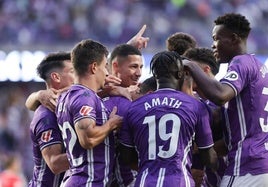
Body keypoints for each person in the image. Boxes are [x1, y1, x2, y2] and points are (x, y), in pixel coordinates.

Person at [183, 13, 268, 187]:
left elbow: (221, 95)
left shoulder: (241, 62)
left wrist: (189, 64)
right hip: (260, 164)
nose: (213, 45)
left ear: (233, 38)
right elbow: (236, 137)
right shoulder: (260, 67)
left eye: (216, 39)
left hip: (246, 167)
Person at [119, 51, 218, 186]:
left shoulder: (133, 108)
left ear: (155, 75)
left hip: (145, 182)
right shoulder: (196, 106)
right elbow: (209, 158)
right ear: (180, 74)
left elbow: (126, 157)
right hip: (179, 181)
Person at [56, 39, 123, 186]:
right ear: (94, 67)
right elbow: (88, 139)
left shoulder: (66, 97)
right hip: (86, 181)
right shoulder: (84, 97)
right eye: (105, 66)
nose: (107, 72)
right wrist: (111, 124)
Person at [28, 52, 73, 186]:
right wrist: (94, 150)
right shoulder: (46, 115)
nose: (79, 75)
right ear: (56, 77)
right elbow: (55, 163)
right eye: (73, 71)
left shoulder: (70, 104)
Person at [184, 47, 227, 187]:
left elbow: (232, 143)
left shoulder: (228, 102)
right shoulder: (192, 102)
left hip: (233, 176)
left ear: (206, 70)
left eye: (190, 71)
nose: (186, 75)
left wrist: (201, 147)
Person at [103, 43, 143, 187]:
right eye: (133, 67)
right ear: (114, 66)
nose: (139, 73)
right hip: (128, 180)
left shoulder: (91, 96)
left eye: (141, 67)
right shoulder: (127, 105)